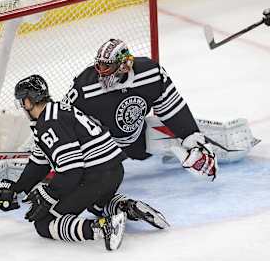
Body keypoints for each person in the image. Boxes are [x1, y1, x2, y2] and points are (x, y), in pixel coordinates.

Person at [0, 74, 168, 251]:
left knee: (44, 223)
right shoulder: (57, 112)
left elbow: (72, 170)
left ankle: (102, 227)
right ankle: (127, 207)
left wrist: (48, 195)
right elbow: (39, 162)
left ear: (28, 101)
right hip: (114, 171)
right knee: (95, 204)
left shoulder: (49, 123)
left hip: (94, 177)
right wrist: (16, 189)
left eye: (22, 101)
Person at [62, 38, 222, 179]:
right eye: (100, 65)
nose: (101, 73)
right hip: (104, 148)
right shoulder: (84, 86)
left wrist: (193, 140)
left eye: (107, 67)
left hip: (139, 139)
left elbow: (173, 108)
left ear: (124, 66)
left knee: (190, 140)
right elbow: (61, 121)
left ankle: (218, 148)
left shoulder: (150, 73)